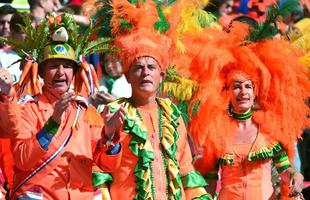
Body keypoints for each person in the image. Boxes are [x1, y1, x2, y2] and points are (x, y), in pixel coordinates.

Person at [93, 1, 212, 199]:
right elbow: (100, 170)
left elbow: (185, 169)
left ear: (162, 76)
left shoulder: (172, 114)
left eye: (151, 67)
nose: (145, 73)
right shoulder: (113, 112)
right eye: (138, 67)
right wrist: (108, 136)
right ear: (128, 77)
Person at [187, 22, 308, 199]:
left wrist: (295, 176)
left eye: (248, 87)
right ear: (227, 92)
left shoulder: (268, 128)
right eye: (236, 86)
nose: (243, 92)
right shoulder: (218, 132)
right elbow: (211, 180)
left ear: (255, 92)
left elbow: (284, 169)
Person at [0, 13, 114, 199]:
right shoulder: (27, 109)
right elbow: (22, 159)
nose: (61, 72)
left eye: (66, 66)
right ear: (42, 72)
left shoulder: (87, 112)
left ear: (74, 72)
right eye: (53, 65)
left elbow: (106, 165)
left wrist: (110, 137)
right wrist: (53, 123)